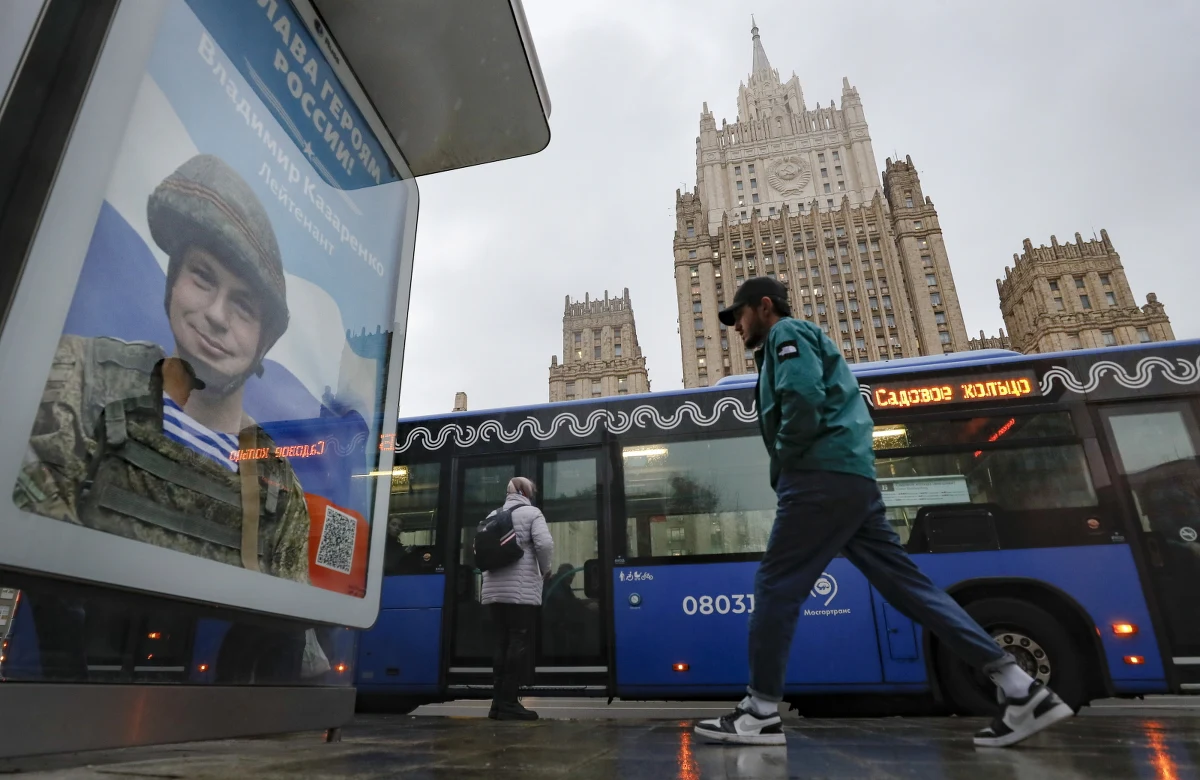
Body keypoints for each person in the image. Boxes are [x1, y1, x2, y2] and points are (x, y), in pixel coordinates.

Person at [694, 276, 1073, 748]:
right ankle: (1021, 688)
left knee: (775, 588)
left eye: (739, 315)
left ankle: (760, 712)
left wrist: (790, 460)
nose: (736, 326)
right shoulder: (793, 342)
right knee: (910, 589)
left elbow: (803, 398)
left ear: (764, 306)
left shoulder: (786, 334)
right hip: (852, 482)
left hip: (819, 480)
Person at [14, 153, 310, 582]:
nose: (216, 315)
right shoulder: (82, 378)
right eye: (203, 277)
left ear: (263, 342)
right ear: (174, 281)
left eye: (244, 305)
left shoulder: (276, 484)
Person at [480, 477, 554, 721]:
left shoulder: (493, 515)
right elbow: (544, 544)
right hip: (520, 594)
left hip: (493, 592)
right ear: (525, 493)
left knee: (500, 643)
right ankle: (509, 702)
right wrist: (545, 569)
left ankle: (497, 704)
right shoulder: (532, 513)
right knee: (517, 643)